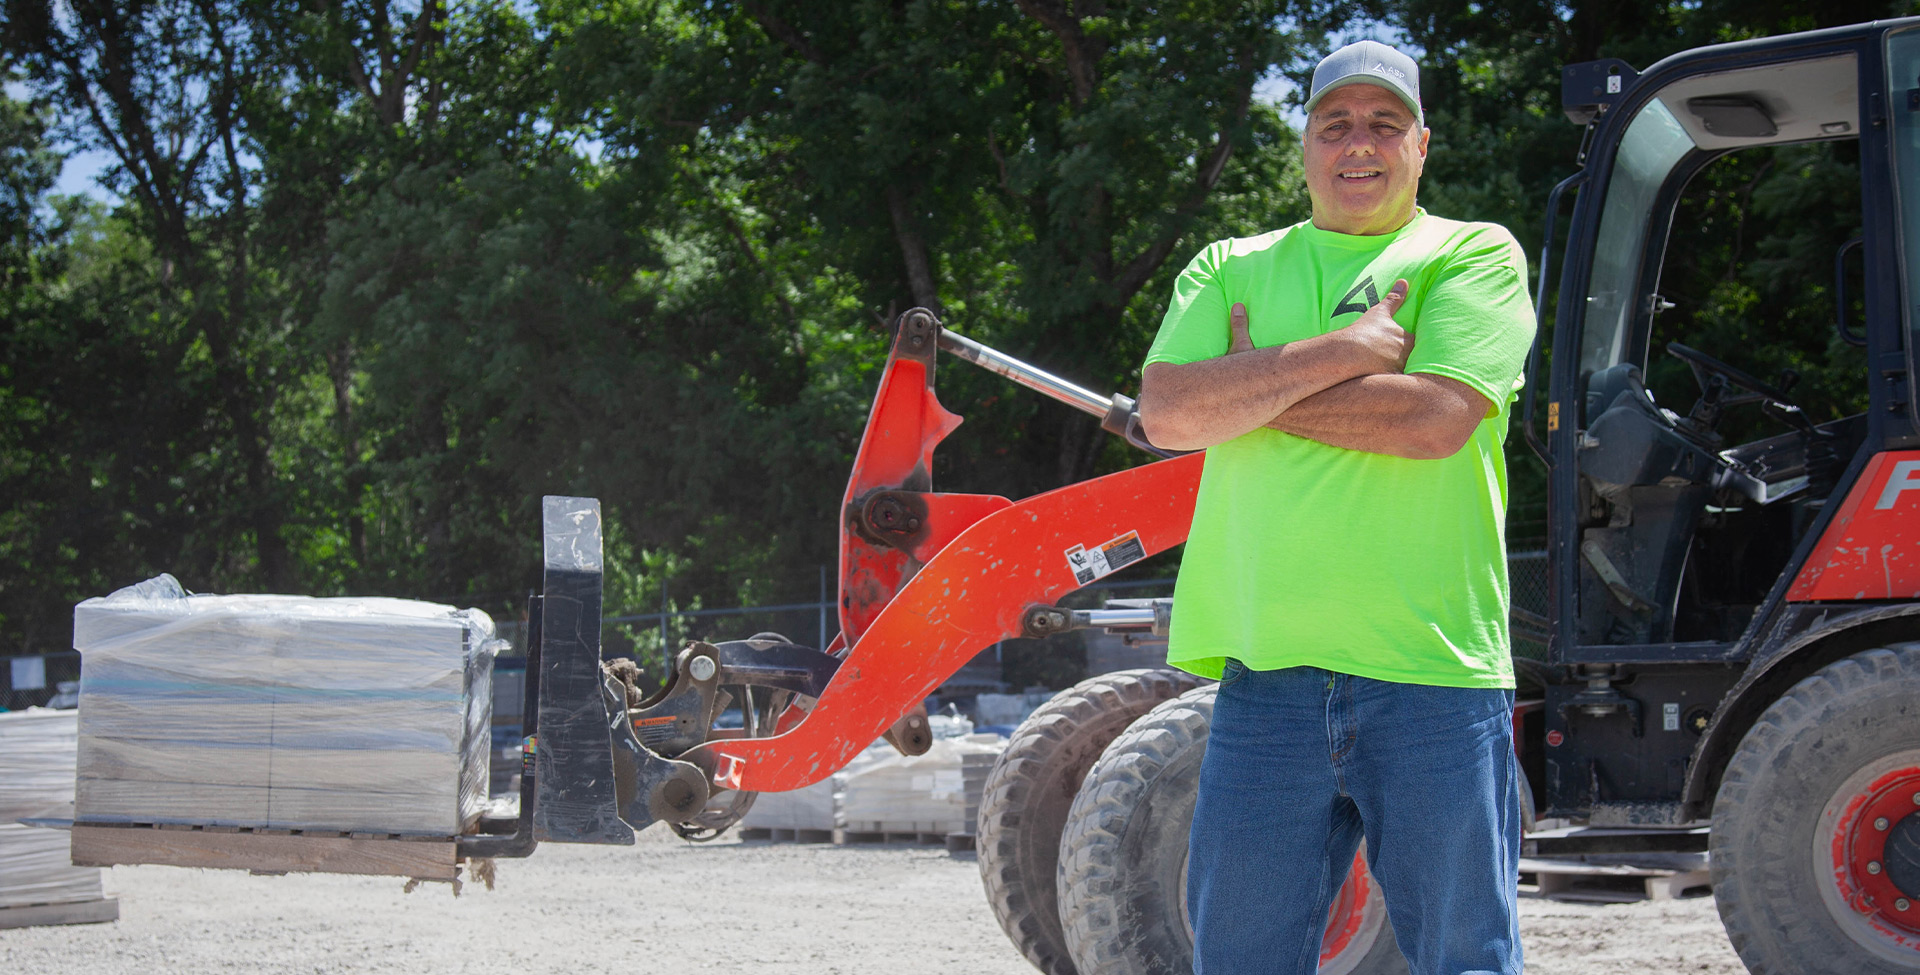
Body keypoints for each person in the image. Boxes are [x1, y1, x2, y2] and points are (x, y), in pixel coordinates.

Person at [1135, 39, 1536, 975]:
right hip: (1264, 680)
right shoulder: (1229, 263)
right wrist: (1346, 350)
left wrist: (1251, 386)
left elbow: (1437, 416)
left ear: (1421, 145)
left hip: (1433, 674)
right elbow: (1166, 413)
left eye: (1384, 125)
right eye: (1336, 124)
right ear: (1306, 144)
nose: (1360, 143)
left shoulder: (1471, 252)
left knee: (1464, 960)